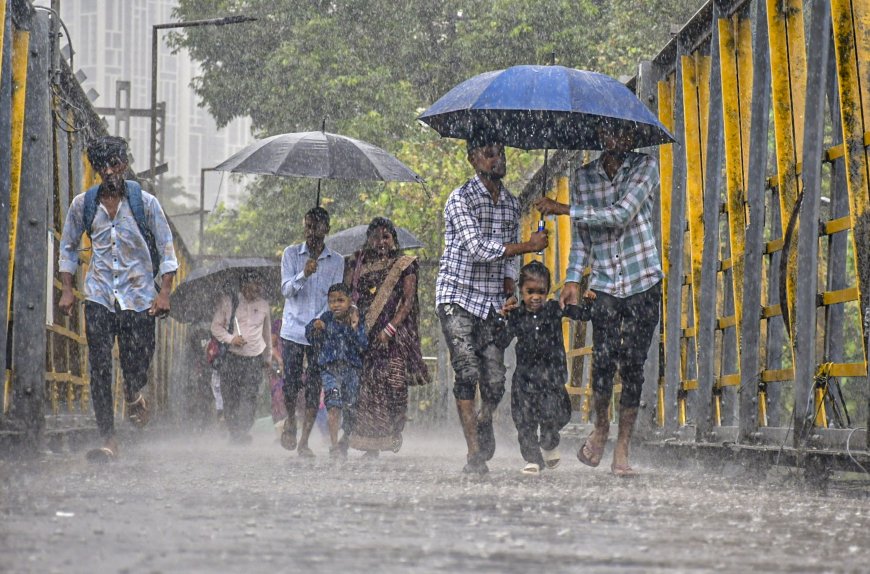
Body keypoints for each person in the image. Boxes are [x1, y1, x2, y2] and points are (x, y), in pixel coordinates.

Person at [534, 122, 663, 477]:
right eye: (608, 132)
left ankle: (623, 447)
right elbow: (583, 238)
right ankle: (602, 427)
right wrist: (573, 278)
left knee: (633, 366)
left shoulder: (646, 167)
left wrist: (563, 209)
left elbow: (621, 214)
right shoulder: (583, 177)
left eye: (623, 133)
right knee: (603, 363)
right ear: (600, 135)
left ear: (633, 136)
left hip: (642, 280)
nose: (615, 138)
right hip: (604, 282)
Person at [58, 136, 177, 462]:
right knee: (98, 367)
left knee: (136, 363)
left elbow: (167, 249)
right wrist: (68, 289)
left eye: (115, 164)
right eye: (102, 166)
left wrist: (164, 293)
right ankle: (108, 439)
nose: (109, 171)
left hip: (139, 297)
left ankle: (134, 390)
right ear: (96, 169)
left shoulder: (146, 204)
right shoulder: (83, 205)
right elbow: (68, 246)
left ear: (124, 164)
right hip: (98, 295)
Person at [436, 134, 549, 475]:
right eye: (489, 153)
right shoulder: (460, 199)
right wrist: (528, 246)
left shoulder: (513, 205)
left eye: (501, 152)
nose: (497, 159)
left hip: (490, 301)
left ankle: (483, 420)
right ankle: (474, 454)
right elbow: (478, 248)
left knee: (496, 381)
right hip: (457, 295)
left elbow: (508, 259)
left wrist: (512, 285)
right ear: (473, 159)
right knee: (467, 370)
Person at [345, 218, 430, 456]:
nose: (381, 242)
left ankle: (395, 429)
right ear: (368, 239)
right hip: (366, 335)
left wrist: (390, 329)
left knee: (394, 384)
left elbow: (407, 300)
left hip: (396, 334)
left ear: (394, 239)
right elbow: (349, 295)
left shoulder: (405, 264)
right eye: (375, 237)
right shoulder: (359, 263)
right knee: (370, 389)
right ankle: (372, 447)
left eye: (386, 236)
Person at [500, 261, 587, 475]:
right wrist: (501, 318)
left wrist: (588, 301)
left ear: (548, 292)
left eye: (541, 292)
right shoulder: (517, 314)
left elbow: (580, 314)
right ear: (521, 291)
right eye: (530, 292)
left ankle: (549, 442)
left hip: (552, 378)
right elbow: (501, 340)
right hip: (525, 380)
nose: (535, 297)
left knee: (555, 414)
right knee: (524, 422)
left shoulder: (553, 310)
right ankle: (532, 459)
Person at [280, 206, 344, 457]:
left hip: (319, 332)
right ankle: (290, 421)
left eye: (316, 226)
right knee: (291, 384)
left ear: (327, 229)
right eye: (307, 226)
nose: (311, 232)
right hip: (293, 330)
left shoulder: (337, 260)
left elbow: (336, 296)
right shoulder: (291, 254)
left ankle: (304, 441)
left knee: (314, 385)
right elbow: (286, 290)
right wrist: (303, 274)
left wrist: (322, 320)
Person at [305, 283, 368, 459]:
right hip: (330, 369)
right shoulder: (326, 318)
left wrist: (354, 327)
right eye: (332, 301)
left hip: (351, 370)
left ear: (350, 301)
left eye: (341, 300)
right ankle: (334, 446)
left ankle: (345, 439)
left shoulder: (356, 320)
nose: (336, 305)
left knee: (351, 407)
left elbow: (363, 343)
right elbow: (309, 335)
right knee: (333, 404)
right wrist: (314, 327)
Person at [210, 273, 272, 443]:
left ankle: (243, 430)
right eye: (253, 285)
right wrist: (231, 339)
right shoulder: (229, 302)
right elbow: (215, 327)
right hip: (232, 357)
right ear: (243, 285)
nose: (256, 289)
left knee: (250, 395)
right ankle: (235, 432)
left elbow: (266, 333)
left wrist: (268, 357)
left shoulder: (264, 305)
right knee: (231, 396)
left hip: (254, 358)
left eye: (259, 285)